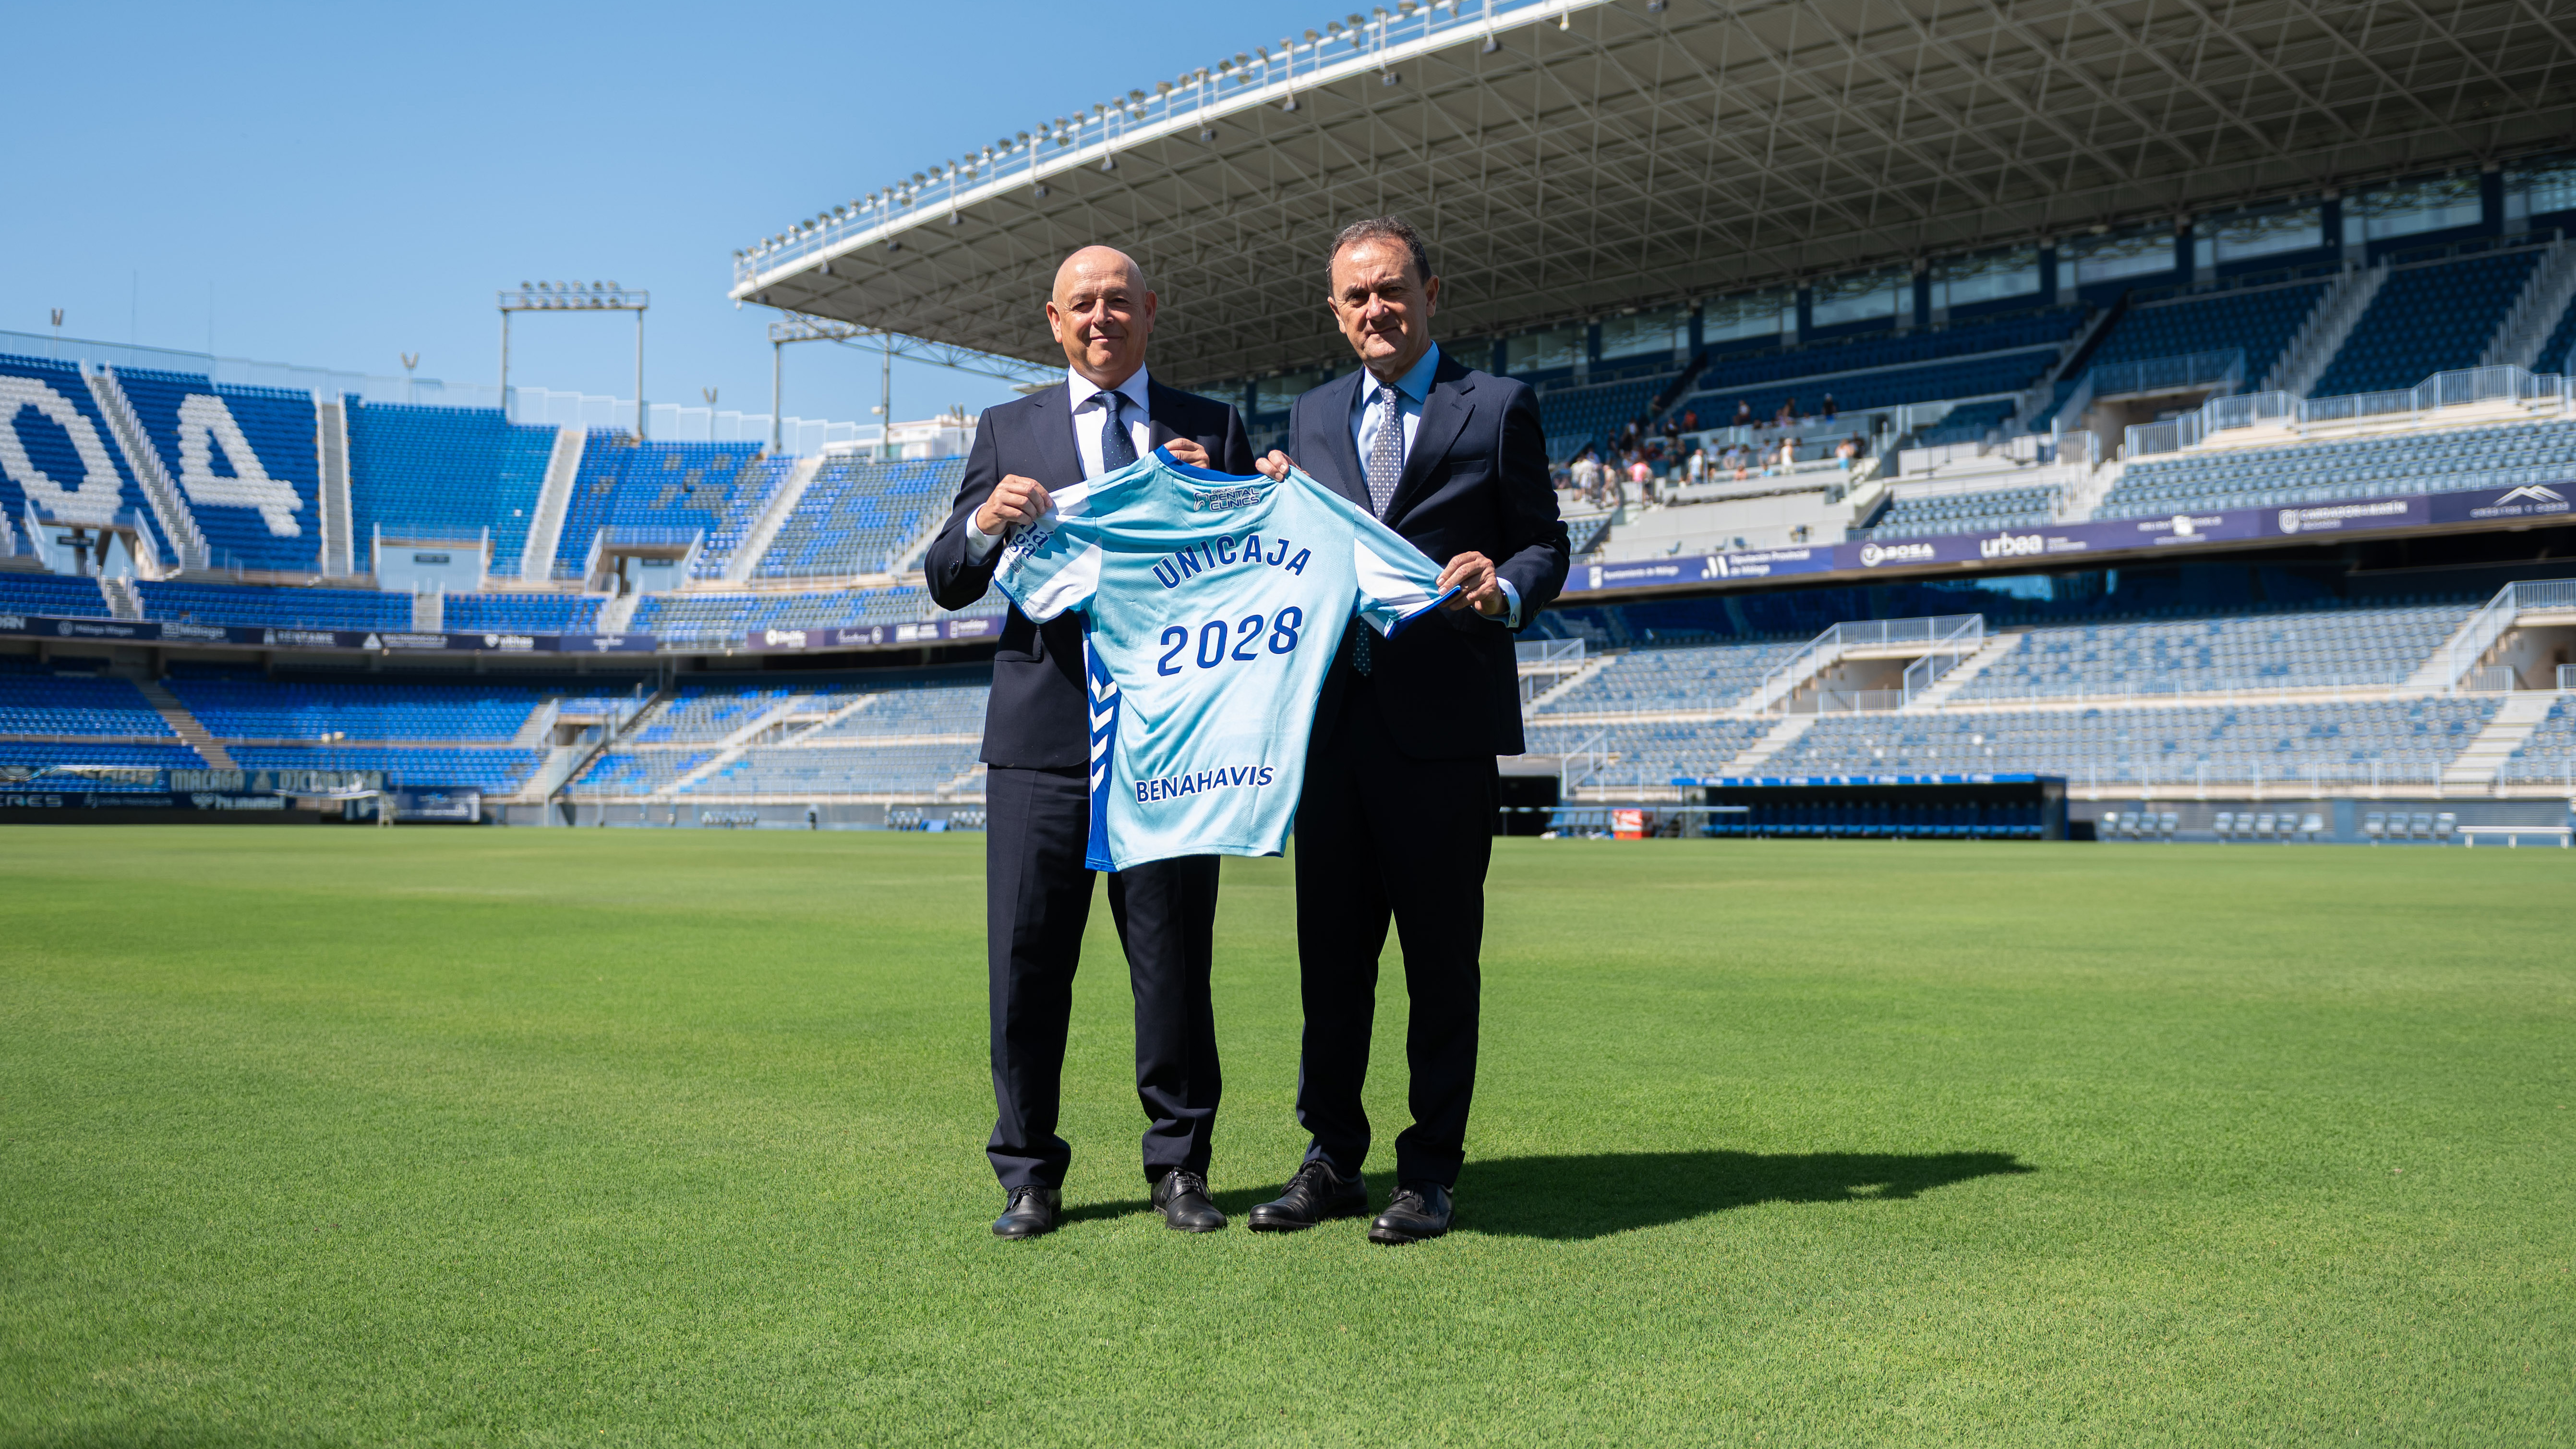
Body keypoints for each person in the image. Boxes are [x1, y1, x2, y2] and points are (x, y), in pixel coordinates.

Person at [1247, 216, 1569, 1244]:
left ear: (1432, 290)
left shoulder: (1499, 405)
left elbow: (1545, 543)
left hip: (1441, 734)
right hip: (1331, 733)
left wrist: (1504, 587)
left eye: (1392, 289)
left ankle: (1428, 1171)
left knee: (1441, 965)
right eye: (1356, 297)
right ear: (1335, 314)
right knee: (1329, 967)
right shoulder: (1307, 419)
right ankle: (1329, 1158)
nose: (1376, 309)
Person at [925, 245, 1256, 1241]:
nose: (1101, 317)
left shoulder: (1213, 426)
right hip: (1040, 745)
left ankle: (1181, 1167)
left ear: (1151, 311)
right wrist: (984, 521)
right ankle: (1028, 1173)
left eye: (1118, 302)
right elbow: (946, 576)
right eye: (1083, 305)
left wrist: (1223, 501)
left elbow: (1255, 571)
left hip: (1168, 743)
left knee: (1173, 967)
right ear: (1052, 321)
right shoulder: (1007, 429)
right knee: (1027, 967)